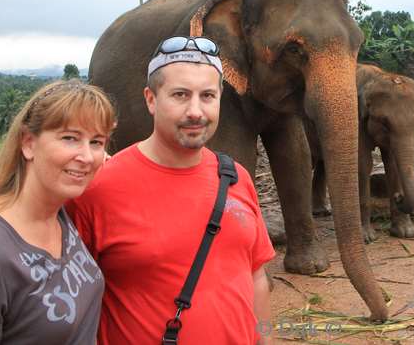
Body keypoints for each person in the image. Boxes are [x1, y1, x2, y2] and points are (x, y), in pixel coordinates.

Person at [67, 36, 275, 345]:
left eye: (207, 95)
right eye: (180, 95)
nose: (195, 110)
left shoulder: (235, 178)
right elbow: (71, 297)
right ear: (151, 99)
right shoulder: (99, 187)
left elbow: (256, 276)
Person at [0, 79, 116, 345]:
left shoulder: (58, 214)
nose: (86, 156)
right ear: (28, 143)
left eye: (96, 142)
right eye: (70, 138)